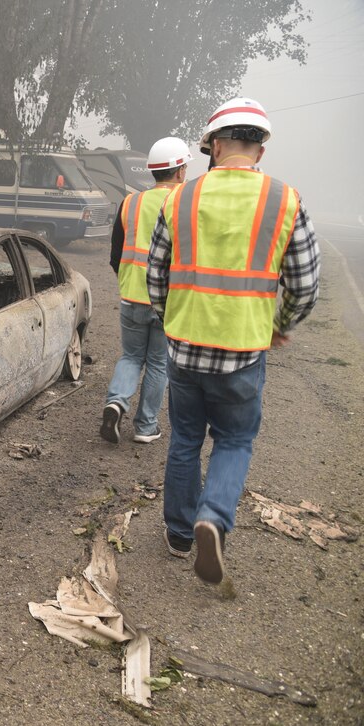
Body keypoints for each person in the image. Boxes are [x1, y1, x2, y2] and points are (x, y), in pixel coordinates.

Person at [146, 97, 320, 584]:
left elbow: (155, 276)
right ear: (259, 150)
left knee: (183, 439)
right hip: (244, 350)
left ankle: (180, 535)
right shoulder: (285, 200)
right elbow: (305, 284)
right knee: (235, 439)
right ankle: (213, 516)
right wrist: (279, 325)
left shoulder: (180, 198)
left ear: (215, 146)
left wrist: (170, 315)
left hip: (183, 346)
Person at [100, 137, 191, 445]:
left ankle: (116, 401)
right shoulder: (186, 203)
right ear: (179, 171)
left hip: (132, 295)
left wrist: (129, 280)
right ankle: (145, 426)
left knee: (131, 356)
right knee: (158, 363)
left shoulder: (131, 202)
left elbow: (115, 254)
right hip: (169, 300)